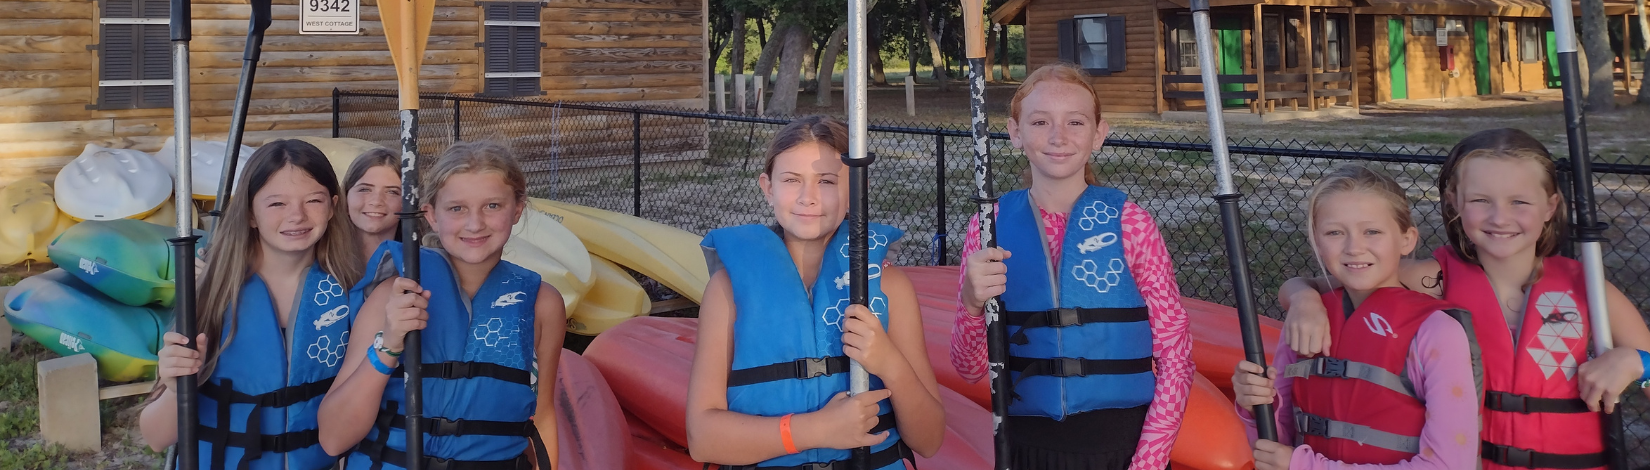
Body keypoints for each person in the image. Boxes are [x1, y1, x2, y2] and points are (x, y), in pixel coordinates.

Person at [1276, 130, 1650, 470]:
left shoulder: (1587, 289)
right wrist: (1303, 299)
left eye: (1519, 201)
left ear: (1550, 206)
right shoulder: (1432, 280)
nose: (1500, 217)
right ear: (1454, 202)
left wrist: (1636, 362)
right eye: (1481, 200)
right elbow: (1319, 283)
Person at [951, 63, 1193, 470]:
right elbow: (969, 367)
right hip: (1025, 451)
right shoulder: (987, 227)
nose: (1058, 137)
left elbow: (1177, 357)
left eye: (1075, 122)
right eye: (1040, 121)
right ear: (1015, 134)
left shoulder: (1131, 224)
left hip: (1123, 450)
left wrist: (1148, 462)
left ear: (1099, 134)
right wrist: (971, 303)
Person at [685, 115, 946, 469]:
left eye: (826, 181)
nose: (808, 198)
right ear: (767, 187)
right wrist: (817, 430)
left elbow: (929, 440)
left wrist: (889, 363)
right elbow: (702, 439)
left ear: (855, 188)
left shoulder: (888, 287)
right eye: (792, 180)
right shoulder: (726, 290)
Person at [317, 141, 565, 470]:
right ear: (431, 215)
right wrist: (389, 344)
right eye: (457, 208)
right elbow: (334, 437)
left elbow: (543, 416)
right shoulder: (394, 295)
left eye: (492, 205)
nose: (475, 224)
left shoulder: (543, 303)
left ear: (517, 209)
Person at [1232, 164, 1482, 470]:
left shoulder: (1437, 332)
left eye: (1372, 231)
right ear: (1317, 242)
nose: (1354, 247)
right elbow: (1276, 445)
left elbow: (1450, 466)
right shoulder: (1304, 322)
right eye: (1335, 232)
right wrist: (1255, 407)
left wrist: (1307, 466)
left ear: (1407, 239)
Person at [139, 139, 365, 470]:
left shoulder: (348, 290)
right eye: (277, 204)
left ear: (332, 207)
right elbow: (155, 437)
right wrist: (175, 389)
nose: (297, 216)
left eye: (313, 200)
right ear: (251, 214)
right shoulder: (214, 290)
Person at [341, 148, 402, 259]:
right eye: (364, 189)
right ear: (345, 196)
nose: (376, 201)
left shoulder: (422, 263)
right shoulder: (320, 263)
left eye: (392, 192)